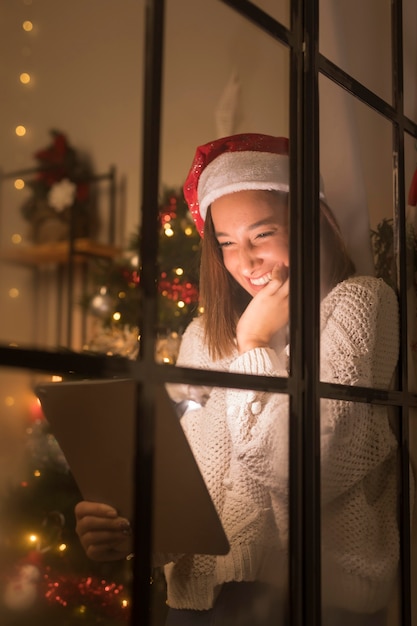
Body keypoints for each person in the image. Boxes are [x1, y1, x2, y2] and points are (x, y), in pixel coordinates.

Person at [74, 133, 400, 625]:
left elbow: (308, 470)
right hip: (192, 605)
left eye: (262, 235)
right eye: (226, 243)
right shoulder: (202, 337)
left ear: (311, 223)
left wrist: (254, 348)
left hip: (309, 600)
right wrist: (132, 531)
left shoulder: (359, 304)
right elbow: (193, 485)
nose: (243, 263)